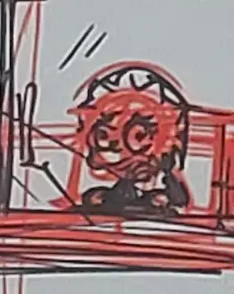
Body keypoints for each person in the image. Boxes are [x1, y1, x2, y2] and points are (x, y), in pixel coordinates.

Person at [71, 63, 192, 214]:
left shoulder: (160, 196)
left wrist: (168, 173)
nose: (117, 147)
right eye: (103, 135)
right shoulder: (103, 196)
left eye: (139, 135)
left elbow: (179, 201)